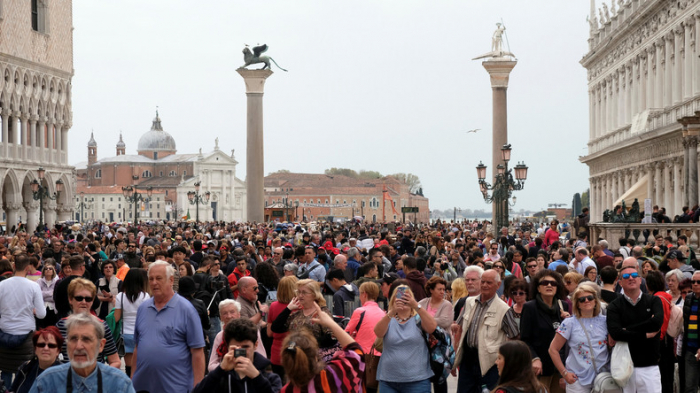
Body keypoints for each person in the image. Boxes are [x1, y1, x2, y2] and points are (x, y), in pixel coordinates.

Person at [131, 261, 206, 392]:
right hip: (142, 387)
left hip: (175, 387)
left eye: (159, 278)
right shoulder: (143, 308)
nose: (154, 282)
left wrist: (197, 387)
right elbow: (138, 347)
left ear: (171, 280)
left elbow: (198, 352)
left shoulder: (187, 310)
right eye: (151, 279)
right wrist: (132, 379)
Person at [28, 313, 135, 393]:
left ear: (101, 345)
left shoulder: (120, 384)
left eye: (86, 339)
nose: (78, 346)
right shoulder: (47, 382)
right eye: (73, 339)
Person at [452, 269, 519, 392]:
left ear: (498, 285)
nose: (484, 285)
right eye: (483, 282)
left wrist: (506, 363)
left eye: (489, 282)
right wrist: (455, 357)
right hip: (467, 360)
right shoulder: (469, 302)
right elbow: (459, 328)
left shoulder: (504, 309)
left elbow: (514, 336)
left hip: (490, 364)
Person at [280, 301, 365, 392]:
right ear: (316, 356)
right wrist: (331, 323)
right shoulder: (333, 375)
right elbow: (356, 352)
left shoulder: (287, 390)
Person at [607, 264, 664, 393]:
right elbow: (616, 333)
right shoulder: (614, 306)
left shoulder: (654, 301)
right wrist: (644, 334)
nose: (631, 278)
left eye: (634, 275)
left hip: (649, 366)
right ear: (620, 282)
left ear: (640, 280)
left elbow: (656, 323)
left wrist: (626, 330)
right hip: (624, 367)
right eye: (626, 276)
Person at [374, 284, 437, 392]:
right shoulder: (388, 319)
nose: (403, 300)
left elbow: (432, 327)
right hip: (388, 380)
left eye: (407, 297)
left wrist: (416, 306)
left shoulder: (418, 319)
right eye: (399, 297)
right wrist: (392, 311)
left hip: (417, 380)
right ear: (393, 300)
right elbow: (378, 333)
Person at [193, 318, 282, 393]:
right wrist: (220, 370)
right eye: (236, 347)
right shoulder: (220, 377)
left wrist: (257, 377)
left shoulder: (270, 378)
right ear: (227, 347)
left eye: (245, 347)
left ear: (256, 345)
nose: (241, 351)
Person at [549, 282, 610, 392]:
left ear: (595, 301)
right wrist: (564, 373)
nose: (586, 301)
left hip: (603, 378)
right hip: (577, 379)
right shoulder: (569, 323)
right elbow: (553, 349)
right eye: (582, 299)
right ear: (577, 304)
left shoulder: (606, 321)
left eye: (590, 298)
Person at [0, 254, 47, 390]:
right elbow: (42, 314)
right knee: (26, 371)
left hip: (4, 332)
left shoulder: (2, 285)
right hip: (26, 333)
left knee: (6, 370)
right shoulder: (33, 286)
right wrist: (31, 310)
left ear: (14, 266)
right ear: (28, 268)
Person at [521, 269, 570, 393]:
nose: (549, 285)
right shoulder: (530, 307)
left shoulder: (563, 306)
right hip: (540, 367)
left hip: (560, 367)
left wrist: (569, 321)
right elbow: (525, 339)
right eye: (545, 283)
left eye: (553, 283)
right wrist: (534, 358)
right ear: (538, 288)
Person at [56, 278, 121, 369]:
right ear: (70, 299)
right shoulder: (61, 325)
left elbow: (115, 361)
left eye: (88, 299)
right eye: (79, 298)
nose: (84, 302)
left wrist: (102, 376)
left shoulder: (101, 326)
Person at [270, 279, 340, 362]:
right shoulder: (297, 314)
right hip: (295, 358)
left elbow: (332, 337)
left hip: (314, 359)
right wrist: (288, 309)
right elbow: (275, 328)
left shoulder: (322, 312)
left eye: (304, 292)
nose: (300, 295)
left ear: (314, 295)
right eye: (298, 292)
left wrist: (305, 343)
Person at [417, 275, 452, 393]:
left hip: (440, 347)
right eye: (439, 289)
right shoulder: (422, 302)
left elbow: (445, 321)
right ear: (431, 290)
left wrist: (425, 319)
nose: (443, 292)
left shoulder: (447, 304)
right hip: (423, 345)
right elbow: (415, 318)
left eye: (444, 289)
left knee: (439, 377)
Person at [114, 268, 150, 378]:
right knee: (139, 364)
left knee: (129, 366)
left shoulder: (120, 296)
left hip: (125, 334)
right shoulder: (145, 296)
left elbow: (116, 318)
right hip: (141, 334)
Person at [9, 327, 63, 393]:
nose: (46, 348)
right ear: (35, 349)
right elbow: (13, 390)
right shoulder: (26, 368)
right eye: (41, 345)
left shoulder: (64, 375)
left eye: (51, 345)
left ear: (58, 351)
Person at [266, 276, 297, 380]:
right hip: (294, 352)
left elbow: (269, 333)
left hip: (276, 352)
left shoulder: (273, 306)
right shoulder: (300, 307)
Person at [345, 281, 385, 357]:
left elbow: (346, 333)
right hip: (379, 355)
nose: (359, 297)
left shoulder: (359, 311)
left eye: (360, 294)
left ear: (364, 294)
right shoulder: (383, 313)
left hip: (361, 355)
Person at [681, 271, 700, 393]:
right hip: (690, 349)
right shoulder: (688, 298)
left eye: (699, 282)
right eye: (693, 281)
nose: (695, 284)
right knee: (689, 386)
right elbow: (686, 324)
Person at [37, 259, 59, 328]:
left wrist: (43, 294)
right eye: (46, 269)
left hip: (53, 309)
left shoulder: (57, 281)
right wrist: (50, 293)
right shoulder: (39, 281)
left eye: (50, 269)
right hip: (41, 307)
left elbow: (55, 296)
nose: (48, 270)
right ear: (43, 271)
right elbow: (38, 295)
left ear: (53, 271)